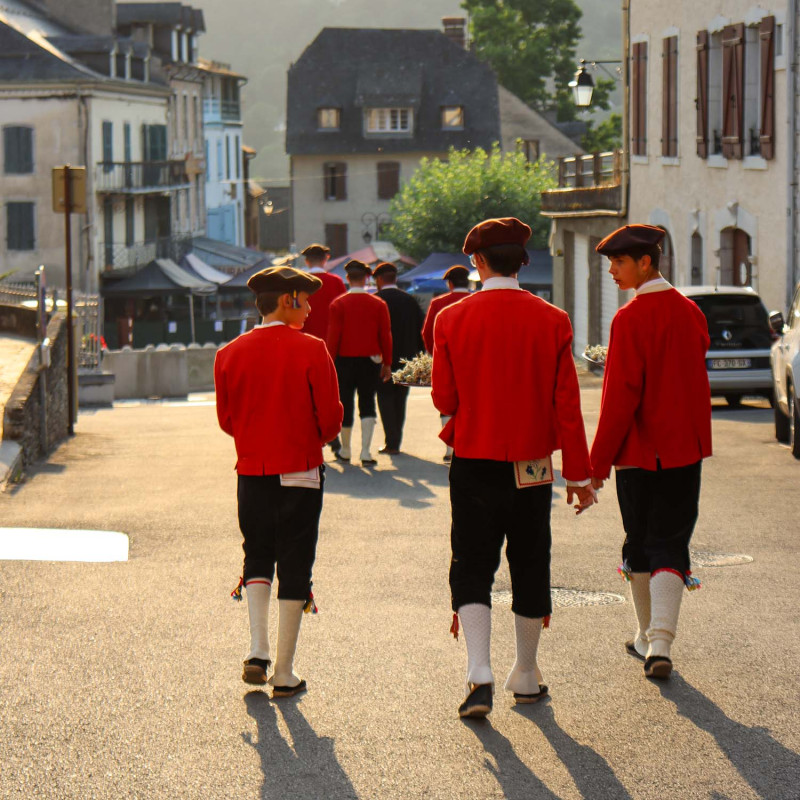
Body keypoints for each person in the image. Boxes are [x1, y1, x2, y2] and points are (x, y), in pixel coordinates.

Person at [431, 217, 597, 719]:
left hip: (474, 457)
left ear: (477, 262)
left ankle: (479, 673)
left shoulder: (450, 318)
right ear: (522, 262)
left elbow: (444, 396)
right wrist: (581, 475)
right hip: (531, 463)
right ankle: (525, 673)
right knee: (530, 560)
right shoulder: (553, 319)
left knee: (473, 562)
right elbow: (567, 403)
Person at [590, 224, 712, 681]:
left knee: (639, 540)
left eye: (618, 263)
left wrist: (596, 464)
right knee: (670, 540)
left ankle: (651, 637)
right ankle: (655, 639)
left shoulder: (629, 319)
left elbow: (620, 397)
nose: (612, 272)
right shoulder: (691, 312)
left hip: (638, 452)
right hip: (683, 447)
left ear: (645, 262)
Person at [214, 266, 343, 697]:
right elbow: (330, 420)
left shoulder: (228, 353)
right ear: (288, 299)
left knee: (257, 556)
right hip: (301, 468)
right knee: (295, 561)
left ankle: (257, 649)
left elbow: (227, 420)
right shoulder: (312, 348)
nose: (308, 310)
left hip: (252, 469)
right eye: (305, 301)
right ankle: (284, 672)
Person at [327, 260, 393, 466]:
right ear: (366, 278)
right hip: (370, 360)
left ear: (348, 278)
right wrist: (388, 362)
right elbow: (385, 335)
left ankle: (346, 450)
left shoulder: (338, 304)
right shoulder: (378, 304)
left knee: (344, 403)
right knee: (367, 402)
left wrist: (329, 361)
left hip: (344, 361)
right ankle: (365, 451)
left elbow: (333, 337)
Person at [299, 243, 347, 455]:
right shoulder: (336, 282)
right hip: (331, 347)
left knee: (305, 395)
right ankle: (333, 436)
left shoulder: (299, 283)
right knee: (330, 393)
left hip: (303, 345)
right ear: (326, 259)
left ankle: (312, 437)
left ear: (307, 261)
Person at [374, 262, 425, 455]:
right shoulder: (410, 300)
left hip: (382, 359)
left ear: (379, 279)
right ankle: (397, 440)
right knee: (400, 399)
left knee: (385, 398)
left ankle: (391, 440)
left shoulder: (376, 300)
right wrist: (419, 354)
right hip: (407, 357)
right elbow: (420, 328)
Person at [421, 264, 471, 462]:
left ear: (450, 284)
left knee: (447, 402)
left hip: (448, 359)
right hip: (473, 360)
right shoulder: (476, 299)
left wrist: (434, 355)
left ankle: (450, 449)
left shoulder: (438, 303)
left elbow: (427, 333)